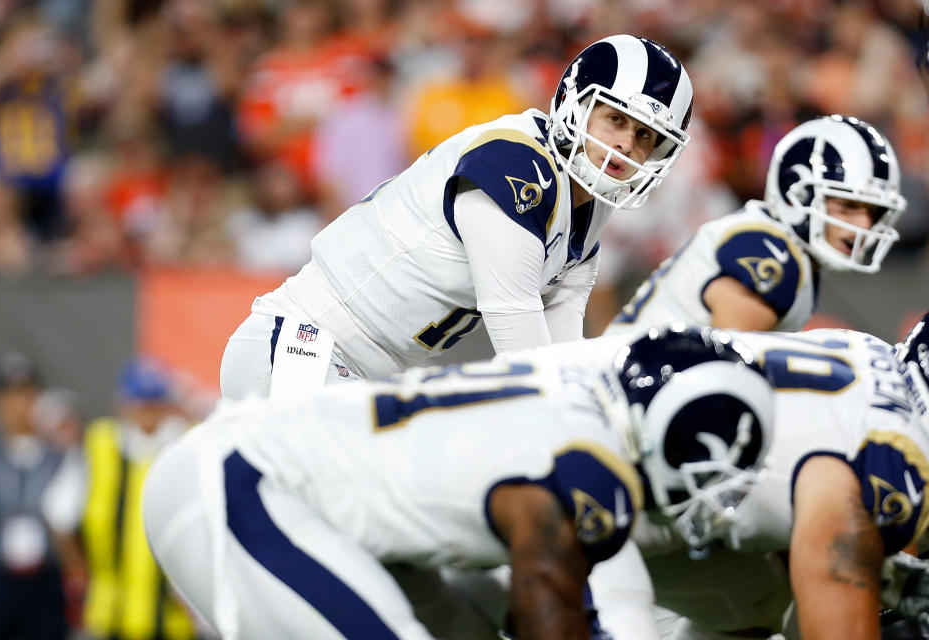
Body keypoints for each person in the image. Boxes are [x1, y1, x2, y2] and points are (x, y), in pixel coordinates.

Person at [143, 327, 773, 639]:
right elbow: (546, 591)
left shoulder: (568, 416)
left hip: (276, 495)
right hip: (249, 485)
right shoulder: (591, 466)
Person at [219, 34, 694, 400]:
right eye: (615, 120)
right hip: (307, 343)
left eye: (646, 136)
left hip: (372, 371)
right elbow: (528, 359)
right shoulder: (515, 164)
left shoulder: (589, 203)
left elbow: (562, 344)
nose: (627, 146)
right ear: (577, 103)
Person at [565, 324, 929, 640]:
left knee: (755, 602)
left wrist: (883, 572)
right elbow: (831, 571)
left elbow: (790, 490)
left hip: (613, 436)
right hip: (591, 480)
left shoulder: (865, 349)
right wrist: (870, 573)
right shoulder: (897, 460)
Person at [606, 114, 906, 335]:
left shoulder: (780, 247)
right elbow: (726, 373)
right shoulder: (773, 254)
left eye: (874, 213)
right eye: (848, 207)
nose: (864, 224)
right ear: (797, 195)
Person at [80, 356, 198, 640]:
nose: (147, 413)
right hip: (111, 612)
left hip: (173, 616)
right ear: (122, 404)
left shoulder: (189, 446)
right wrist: (83, 576)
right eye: (140, 403)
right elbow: (60, 513)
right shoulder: (102, 444)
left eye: (153, 404)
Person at [0, 352, 68, 640]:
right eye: (10, 396)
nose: (19, 405)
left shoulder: (59, 458)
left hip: (45, 580)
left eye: (26, 394)